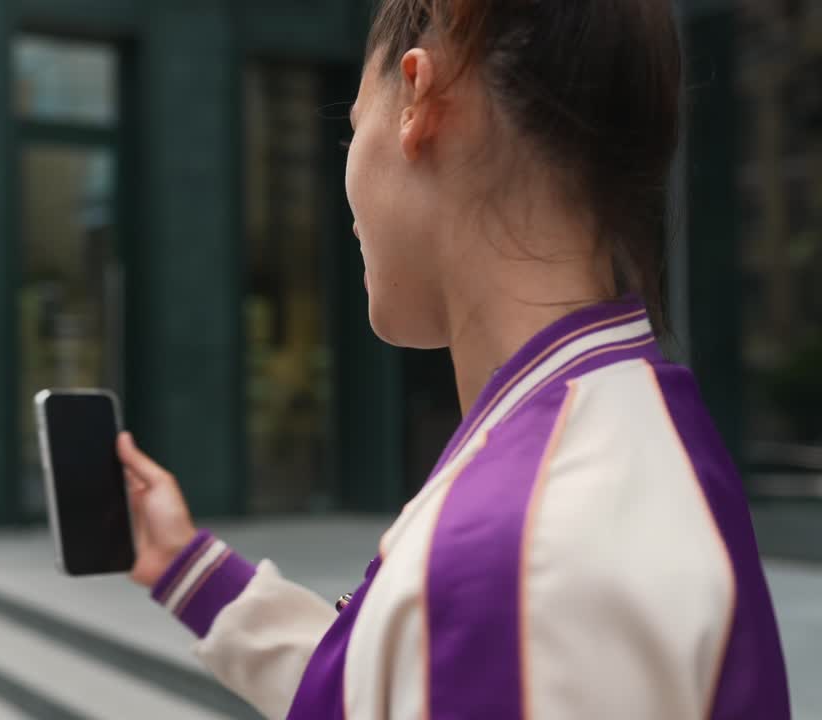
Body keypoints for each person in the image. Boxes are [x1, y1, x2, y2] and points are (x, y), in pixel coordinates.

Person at [116, 1, 792, 718]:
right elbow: (413, 680)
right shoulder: (627, 429)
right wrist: (188, 568)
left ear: (416, 97)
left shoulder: (524, 557)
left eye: (352, 128)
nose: (348, 201)